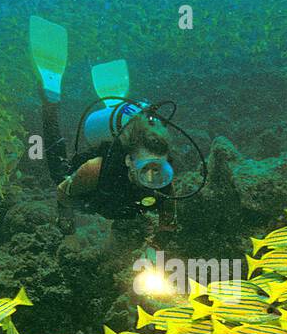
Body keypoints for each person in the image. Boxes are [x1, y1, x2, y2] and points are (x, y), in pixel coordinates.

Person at [29, 16, 178, 236]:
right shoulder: (94, 169)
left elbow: (167, 223)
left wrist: (159, 247)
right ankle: (51, 100)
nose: (152, 177)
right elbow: (63, 193)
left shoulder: (163, 184)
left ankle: (116, 106)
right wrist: (68, 233)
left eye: (159, 170)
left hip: (116, 206)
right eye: (146, 168)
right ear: (129, 161)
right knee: (59, 173)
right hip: (91, 193)